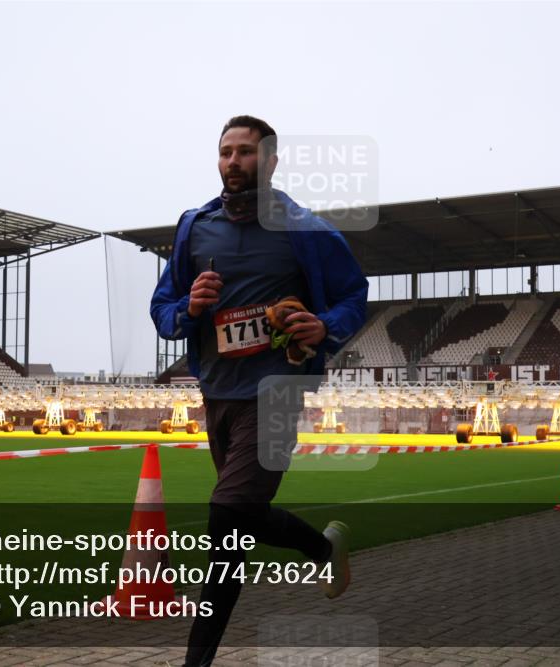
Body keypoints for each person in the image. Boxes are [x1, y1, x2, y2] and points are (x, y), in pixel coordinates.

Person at [150, 115, 368, 667]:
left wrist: (326, 325)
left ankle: (195, 662)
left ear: (270, 161)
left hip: (274, 396)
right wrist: (190, 309)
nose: (233, 162)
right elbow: (163, 307)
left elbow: (353, 295)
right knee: (243, 516)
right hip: (217, 394)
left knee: (225, 521)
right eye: (225, 152)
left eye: (245, 152)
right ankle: (323, 549)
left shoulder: (306, 230)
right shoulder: (193, 228)